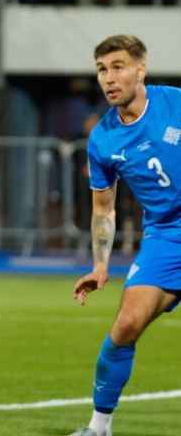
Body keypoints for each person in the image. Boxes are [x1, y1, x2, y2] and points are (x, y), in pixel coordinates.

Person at [70, 36, 181, 436]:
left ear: (141, 69)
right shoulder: (103, 139)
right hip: (167, 237)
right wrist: (100, 265)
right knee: (126, 325)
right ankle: (99, 428)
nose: (109, 78)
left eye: (118, 66)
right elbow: (104, 208)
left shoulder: (175, 104)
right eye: (102, 69)